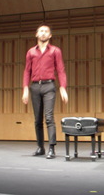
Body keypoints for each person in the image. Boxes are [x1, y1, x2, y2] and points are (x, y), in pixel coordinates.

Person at [22, 23, 68, 159]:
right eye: (40, 31)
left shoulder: (55, 51)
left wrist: (63, 88)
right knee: (37, 120)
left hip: (49, 86)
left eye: (46, 31)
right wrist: (25, 88)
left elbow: (61, 70)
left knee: (49, 118)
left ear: (50, 35)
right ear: (36, 34)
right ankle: (40, 147)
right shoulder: (31, 52)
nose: (43, 33)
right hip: (35, 87)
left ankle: (52, 148)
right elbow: (26, 71)